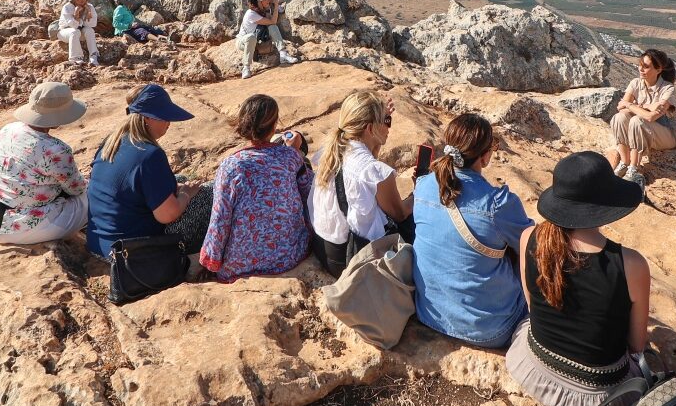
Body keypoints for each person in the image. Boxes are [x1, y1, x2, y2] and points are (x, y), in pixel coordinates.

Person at [507, 151, 650, 406]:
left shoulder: (530, 237)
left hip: (533, 370)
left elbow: (531, 306)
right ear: (604, 206)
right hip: (601, 400)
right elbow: (636, 344)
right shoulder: (630, 264)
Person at [412, 114, 533, 348]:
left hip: (430, 313)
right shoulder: (498, 203)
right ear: (485, 156)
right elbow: (532, 246)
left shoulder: (424, 184)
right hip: (489, 329)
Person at [199, 95, 313, 281]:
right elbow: (309, 192)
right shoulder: (290, 158)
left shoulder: (231, 165)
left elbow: (220, 218)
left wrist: (210, 260)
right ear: (274, 124)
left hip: (240, 264)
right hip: (288, 256)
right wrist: (296, 152)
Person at [86, 84, 202, 259]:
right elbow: (167, 216)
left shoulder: (111, 142)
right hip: (130, 253)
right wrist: (186, 194)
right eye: (164, 117)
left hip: (99, 244)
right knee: (207, 196)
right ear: (147, 118)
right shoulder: (150, 155)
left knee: (181, 178)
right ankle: (201, 258)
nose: (169, 123)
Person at [310, 90, 414, 277]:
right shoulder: (375, 171)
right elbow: (400, 213)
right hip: (352, 259)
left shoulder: (329, 151)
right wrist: (419, 192)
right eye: (386, 121)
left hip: (326, 251)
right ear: (369, 128)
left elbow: (365, 169)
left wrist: (379, 131)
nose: (389, 127)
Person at [0, 82, 89, 245]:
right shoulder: (56, 149)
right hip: (27, 228)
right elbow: (77, 189)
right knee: (94, 195)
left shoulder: (8, 129)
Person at [607, 48, 676, 190]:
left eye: (646, 66)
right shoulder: (636, 83)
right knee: (619, 118)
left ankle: (633, 168)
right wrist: (647, 106)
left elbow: (650, 116)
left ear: (658, 69)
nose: (641, 69)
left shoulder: (668, 89)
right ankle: (625, 162)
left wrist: (631, 105)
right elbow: (621, 109)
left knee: (637, 120)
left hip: (668, 136)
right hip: (647, 130)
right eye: (640, 65)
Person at [236, 0, 297, 79]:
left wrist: (271, 7)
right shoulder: (251, 14)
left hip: (257, 41)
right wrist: (276, 6)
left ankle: (283, 54)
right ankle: (246, 68)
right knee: (251, 37)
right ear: (259, 1)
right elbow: (272, 20)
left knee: (272, 27)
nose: (269, 0)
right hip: (243, 42)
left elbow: (273, 22)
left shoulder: (262, 11)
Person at [58, 0, 100, 65]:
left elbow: (93, 24)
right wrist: (76, 13)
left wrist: (88, 13)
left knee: (90, 30)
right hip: (65, 33)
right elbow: (73, 25)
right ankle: (75, 58)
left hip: (80, 32)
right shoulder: (67, 7)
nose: (82, 0)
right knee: (74, 31)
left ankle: (93, 57)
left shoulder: (89, 7)